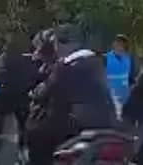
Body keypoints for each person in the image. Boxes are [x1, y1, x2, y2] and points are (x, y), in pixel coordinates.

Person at [26, 24, 117, 165]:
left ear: (60, 44)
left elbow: (44, 91)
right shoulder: (97, 60)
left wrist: (35, 92)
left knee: (35, 133)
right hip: (106, 122)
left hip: (76, 125)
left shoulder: (65, 66)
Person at [0, 33, 40, 162]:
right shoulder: (29, 59)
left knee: (9, 127)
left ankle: (12, 153)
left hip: (9, 97)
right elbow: (34, 77)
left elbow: (1, 76)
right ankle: (23, 152)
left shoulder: (5, 58)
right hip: (24, 97)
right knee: (23, 126)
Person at [106, 34, 137, 118]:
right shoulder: (106, 58)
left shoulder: (127, 59)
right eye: (118, 43)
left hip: (125, 100)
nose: (120, 46)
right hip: (110, 100)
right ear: (113, 44)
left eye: (122, 44)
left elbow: (130, 78)